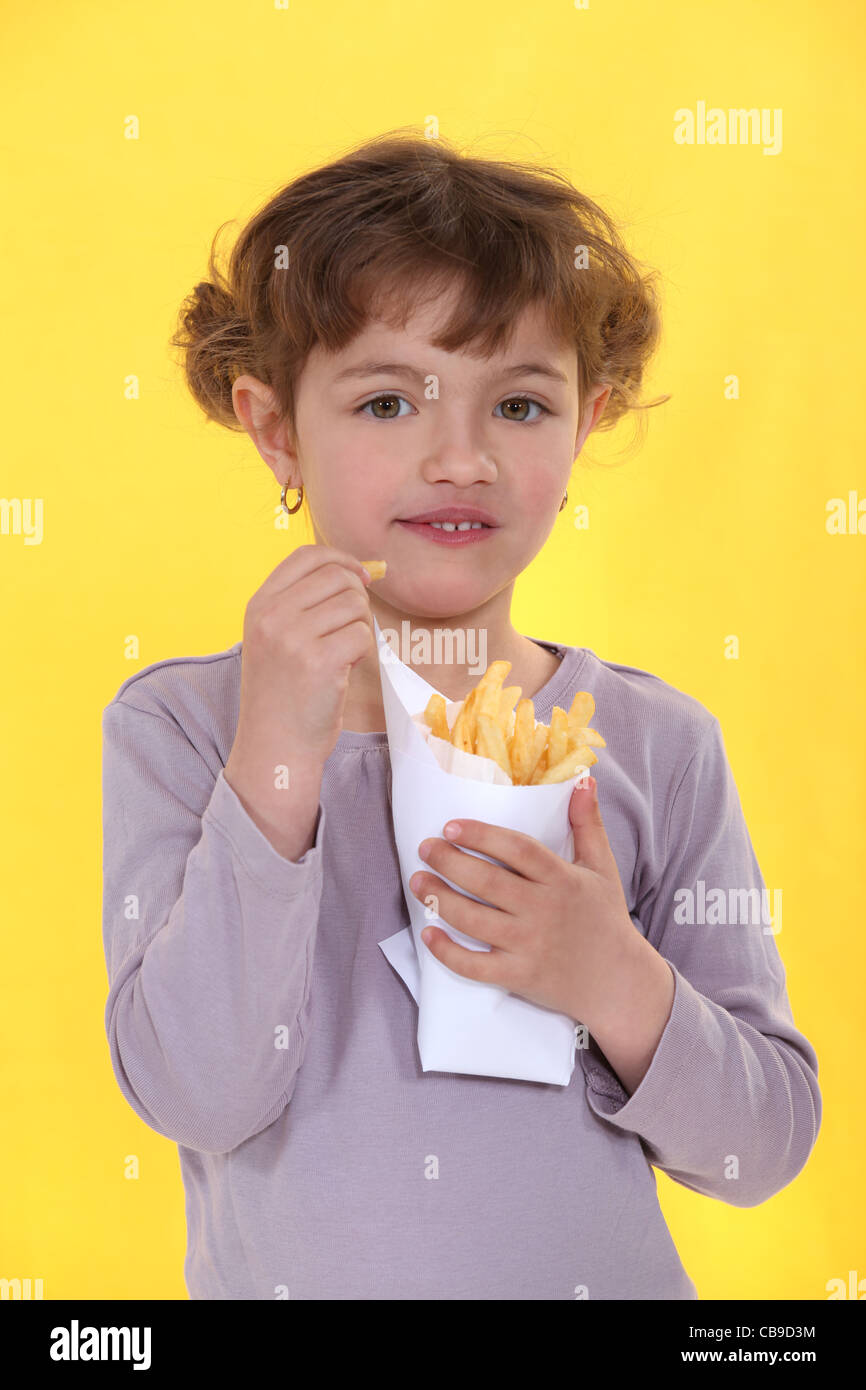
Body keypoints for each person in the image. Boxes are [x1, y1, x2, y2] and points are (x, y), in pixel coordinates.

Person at [101, 130, 821, 1300]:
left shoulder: (653, 744)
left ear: (587, 424)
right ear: (276, 427)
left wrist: (612, 976)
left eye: (520, 407)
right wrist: (278, 757)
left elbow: (761, 1148)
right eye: (388, 401)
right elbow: (197, 1090)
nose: (460, 457)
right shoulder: (182, 727)